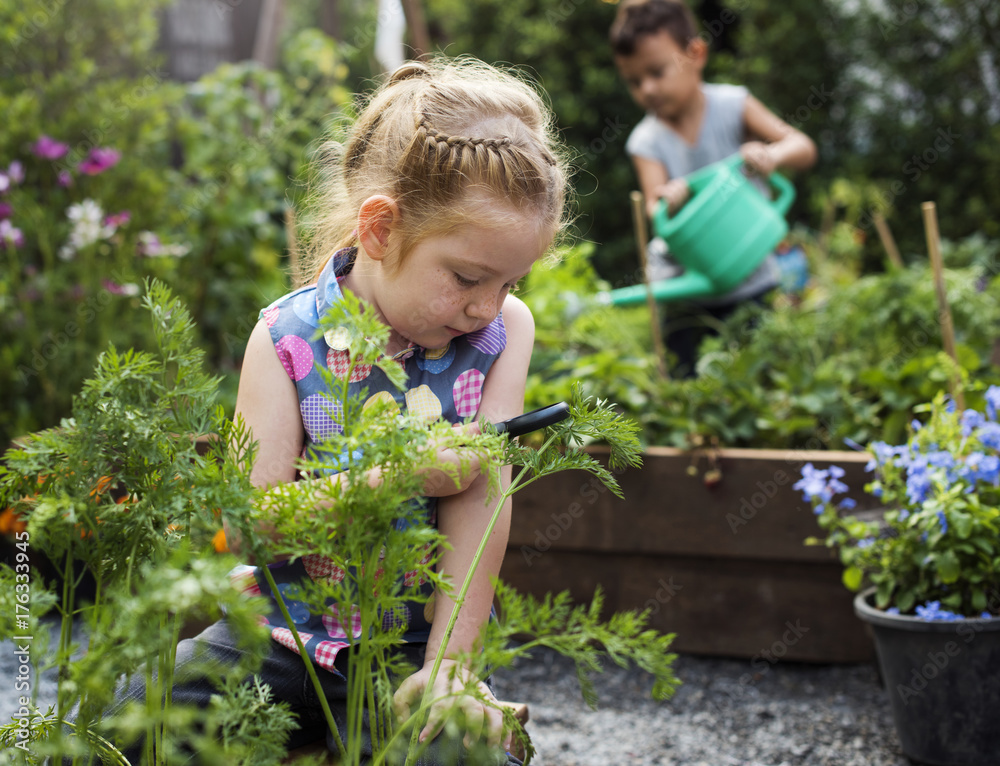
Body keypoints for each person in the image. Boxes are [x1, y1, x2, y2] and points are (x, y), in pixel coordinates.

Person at [102, 58, 569, 765]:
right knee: (133, 725)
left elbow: (482, 504)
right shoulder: (286, 339)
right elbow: (257, 521)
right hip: (283, 630)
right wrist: (399, 477)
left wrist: (450, 668)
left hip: (410, 643)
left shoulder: (503, 334)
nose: (486, 305)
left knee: (458, 755)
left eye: (510, 280)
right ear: (380, 231)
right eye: (469, 277)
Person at [609, 0, 817, 377]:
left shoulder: (733, 104)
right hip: (685, 285)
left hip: (750, 276)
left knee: (760, 377)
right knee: (684, 380)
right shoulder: (646, 140)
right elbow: (654, 208)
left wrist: (770, 155)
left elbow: (802, 147)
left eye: (657, 71)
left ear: (696, 53)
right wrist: (669, 201)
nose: (648, 89)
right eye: (635, 81)